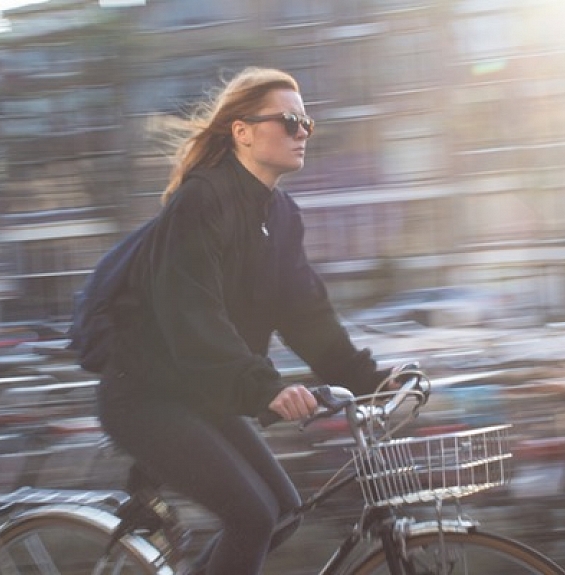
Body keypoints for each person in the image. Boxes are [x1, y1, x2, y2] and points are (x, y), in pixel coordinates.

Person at [97, 66, 392, 575]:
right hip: (144, 395)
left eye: (307, 123)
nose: (302, 132)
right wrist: (263, 389)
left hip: (204, 392)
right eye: (288, 121)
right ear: (243, 132)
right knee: (254, 516)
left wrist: (370, 380)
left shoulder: (280, 216)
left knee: (285, 511)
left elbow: (306, 314)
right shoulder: (201, 201)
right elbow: (193, 316)